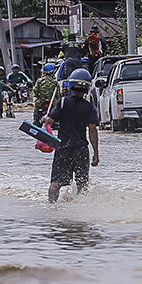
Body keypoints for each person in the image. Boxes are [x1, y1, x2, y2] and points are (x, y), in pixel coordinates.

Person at [42, 68, 99, 202]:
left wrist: (45, 118)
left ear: (70, 85)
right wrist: (96, 153)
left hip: (63, 148)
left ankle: (52, 209)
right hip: (81, 149)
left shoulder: (62, 102)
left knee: (56, 183)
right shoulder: (90, 107)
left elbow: (50, 121)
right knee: (82, 184)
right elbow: (92, 130)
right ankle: (78, 210)